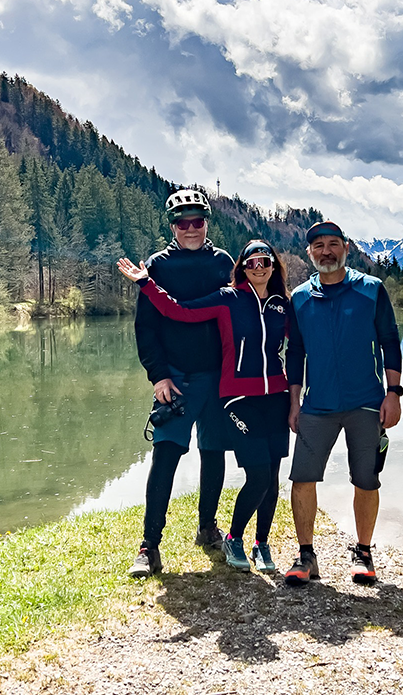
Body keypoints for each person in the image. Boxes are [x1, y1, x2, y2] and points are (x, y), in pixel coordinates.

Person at [118, 239, 297, 573]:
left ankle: (230, 534)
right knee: (173, 455)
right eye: (252, 262)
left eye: (265, 261)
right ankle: (154, 545)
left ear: (274, 265)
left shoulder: (282, 304)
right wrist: (146, 283)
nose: (258, 267)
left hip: (261, 393)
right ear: (242, 268)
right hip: (210, 389)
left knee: (232, 460)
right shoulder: (224, 296)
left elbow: (302, 343)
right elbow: (175, 312)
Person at [284, 221, 403, 586]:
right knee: (302, 477)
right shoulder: (300, 297)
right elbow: (296, 352)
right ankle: (306, 557)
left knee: (366, 478)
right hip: (317, 404)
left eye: (333, 244)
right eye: (318, 246)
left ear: (346, 248)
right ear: (310, 253)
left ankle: (364, 554)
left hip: (365, 402)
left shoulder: (371, 290)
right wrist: (294, 402)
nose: (326, 252)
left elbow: (390, 342)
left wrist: (393, 393)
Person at [127, 190, 235, 578]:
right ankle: (149, 546)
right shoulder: (156, 266)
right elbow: (146, 327)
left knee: (214, 452)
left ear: (207, 222)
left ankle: (208, 528)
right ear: (172, 226)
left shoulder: (223, 262)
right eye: (182, 223)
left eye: (197, 221)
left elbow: (236, 312)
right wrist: (158, 375)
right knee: (166, 456)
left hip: (218, 379)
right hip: (177, 379)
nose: (190, 229)